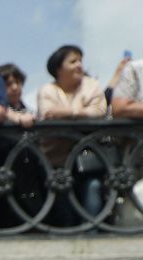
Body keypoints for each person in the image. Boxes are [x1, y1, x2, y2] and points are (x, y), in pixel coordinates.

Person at [37, 45, 108, 223]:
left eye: (80, 61)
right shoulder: (47, 90)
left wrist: (70, 113)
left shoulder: (92, 86)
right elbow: (49, 113)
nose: (79, 65)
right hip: (56, 160)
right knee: (63, 206)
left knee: (93, 189)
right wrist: (83, 111)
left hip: (89, 157)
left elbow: (99, 112)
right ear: (58, 69)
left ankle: (91, 234)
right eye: (73, 61)